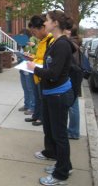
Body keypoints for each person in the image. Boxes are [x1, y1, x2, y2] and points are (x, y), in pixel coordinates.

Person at [27, 10, 75, 185]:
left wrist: (34, 68)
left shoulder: (62, 44)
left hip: (58, 94)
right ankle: (64, 165)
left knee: (60, 135)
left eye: (47, 20)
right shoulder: (56, 42)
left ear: (55, 23)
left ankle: (61, 175)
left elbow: (53, 73)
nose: (44, 23)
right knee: (55, 133)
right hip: (51, 94)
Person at [24, 15, 54, 127]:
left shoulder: (50, 41)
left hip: (42, 74)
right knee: (37, 96)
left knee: (41, 97)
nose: (34, 34)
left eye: (35, 31)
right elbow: (40, 56)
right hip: (37, 72)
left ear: (42, 28)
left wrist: (35, 62)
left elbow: (48, 60)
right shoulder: (42, 41)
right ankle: (36, 115)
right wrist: (33, 58)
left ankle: (41, 117)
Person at [65, 27, 83, 140]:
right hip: (75, 77)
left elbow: (73, 64)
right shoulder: (75, 42)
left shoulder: (71, 44)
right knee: (73, 105)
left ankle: (73, 131)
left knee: (73, 105)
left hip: (72, 77)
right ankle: (73, 130)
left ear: (69, 31)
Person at [17, 28, 38, 115]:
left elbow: (35, 54)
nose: (21, 39)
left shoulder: (31, 42)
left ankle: (32, 107)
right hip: (22, 68)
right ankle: (27, 104)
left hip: (28, 68)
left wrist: (27, 55)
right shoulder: (22, 45)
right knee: (25, 87)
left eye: (22, 37)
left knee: (30, 88)